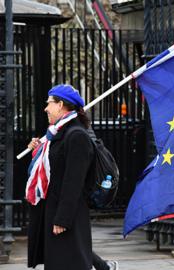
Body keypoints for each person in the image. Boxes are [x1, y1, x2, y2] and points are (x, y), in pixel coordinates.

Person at [25, 84, 94, 270]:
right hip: (54, 212)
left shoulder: (76, 135)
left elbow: (74, 182)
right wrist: (39, 149)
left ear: (60, 104)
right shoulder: (57, 134)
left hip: (66, 217)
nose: (46, 108)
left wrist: (63, 218)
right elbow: (52, 167)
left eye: (49, 103)